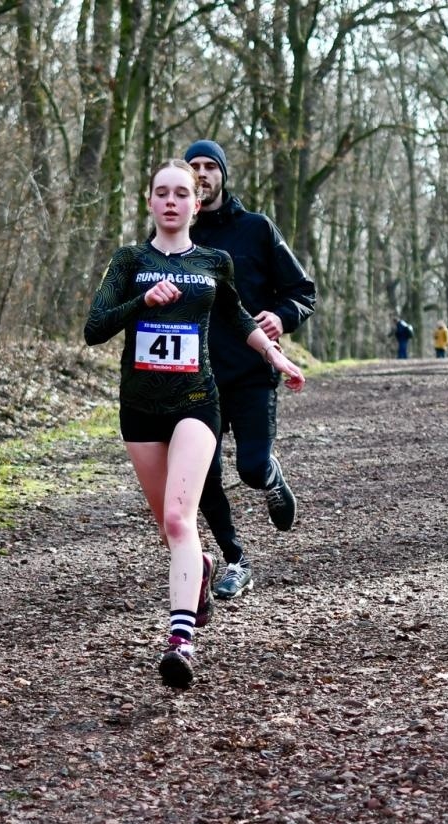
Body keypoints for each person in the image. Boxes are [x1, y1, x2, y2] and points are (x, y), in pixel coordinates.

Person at [86, 160, 305, 688]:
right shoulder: (129, 261)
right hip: (140, 409)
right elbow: (95, 328)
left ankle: (180, 642)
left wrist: (275, 357)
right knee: (169, 527)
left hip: (197, 402)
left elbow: (235, 316)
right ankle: (202, 568)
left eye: (180, 193)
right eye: (161, 193)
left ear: (195, 203)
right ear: (149, 201)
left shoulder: (214, 260)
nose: (171, 202)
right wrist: (142, 301)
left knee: (181, 519)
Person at [183, 140, 317, 601]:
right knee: (203, 476)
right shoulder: (177, 235)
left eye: (209, 166)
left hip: (253, 371)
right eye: (193, 166)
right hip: (195, 378)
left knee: (252, 468)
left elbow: (303, 290)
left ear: (222, 174)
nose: (201, 173)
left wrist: (283, 316)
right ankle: (236, 561)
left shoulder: (256, 229)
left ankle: (271, 477)